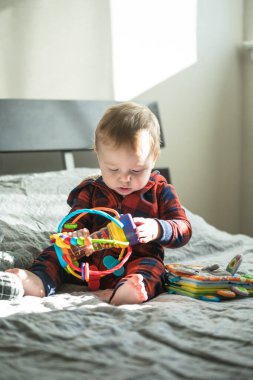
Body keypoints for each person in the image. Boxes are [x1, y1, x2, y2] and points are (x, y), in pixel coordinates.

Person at [3, 102, 192, 305]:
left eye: (136, 171)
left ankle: (131, 288)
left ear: (153, 159)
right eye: (112, 169)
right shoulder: (91, 190)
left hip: (135, 262)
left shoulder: (161, 191)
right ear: (99, 157)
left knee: (153, 268)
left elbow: (183, 228)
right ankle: (35, 280)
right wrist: (75, 236)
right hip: (87, 262)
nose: (124, 179)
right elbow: (73, 222)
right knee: (55, 253)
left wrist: (158, 228)